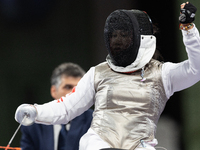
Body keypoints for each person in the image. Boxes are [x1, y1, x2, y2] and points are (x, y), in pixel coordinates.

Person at [15, 2, 200, 150]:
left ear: (141, 38)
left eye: (124, 35)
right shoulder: (99, 72)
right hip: (99, 143)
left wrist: (189, 30)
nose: (117, 41)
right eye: (114, 35)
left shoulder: (162, 74)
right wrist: (36, 111)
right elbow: (66, 108)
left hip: (139, 145)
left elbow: (195, 70)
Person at [20, 62, 93, 150]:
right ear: (54, 91)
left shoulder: (95, 121)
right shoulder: (33, 125)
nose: (75, 94)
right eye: (68, 87)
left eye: (78, 88)